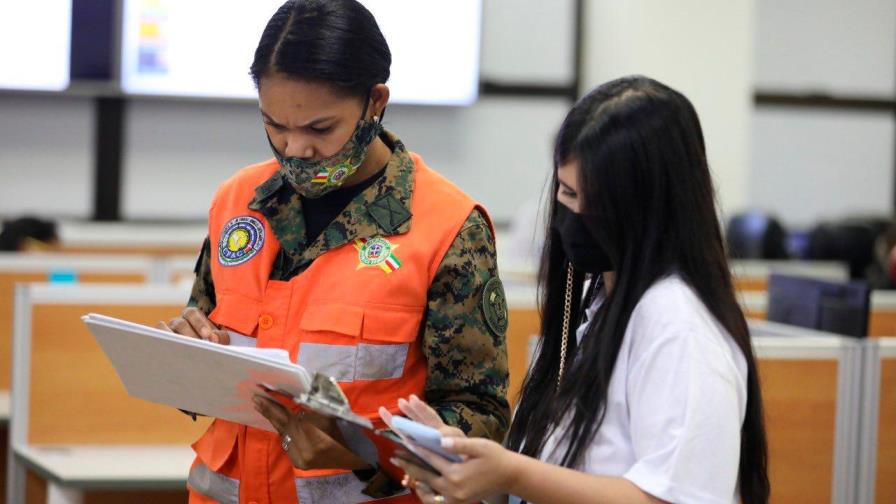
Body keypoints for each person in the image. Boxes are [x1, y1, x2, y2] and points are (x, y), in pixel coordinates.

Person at [160, 1, 510, 502]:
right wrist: (183, 355)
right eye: (274, 124)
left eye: (319, 129)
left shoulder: (448, 227)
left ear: (375, 101)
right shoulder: (238, 202)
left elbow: (481, 421)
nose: (295, 148)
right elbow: (205, 331)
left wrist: (360, 451)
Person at [386, 76, 770, 504]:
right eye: (567, 192)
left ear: (649, 207)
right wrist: (467, 465)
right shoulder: (598, 302)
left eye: (596, 201)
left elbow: (676, 497)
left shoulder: (679, 326)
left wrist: (512, 472)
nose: (574, 214)